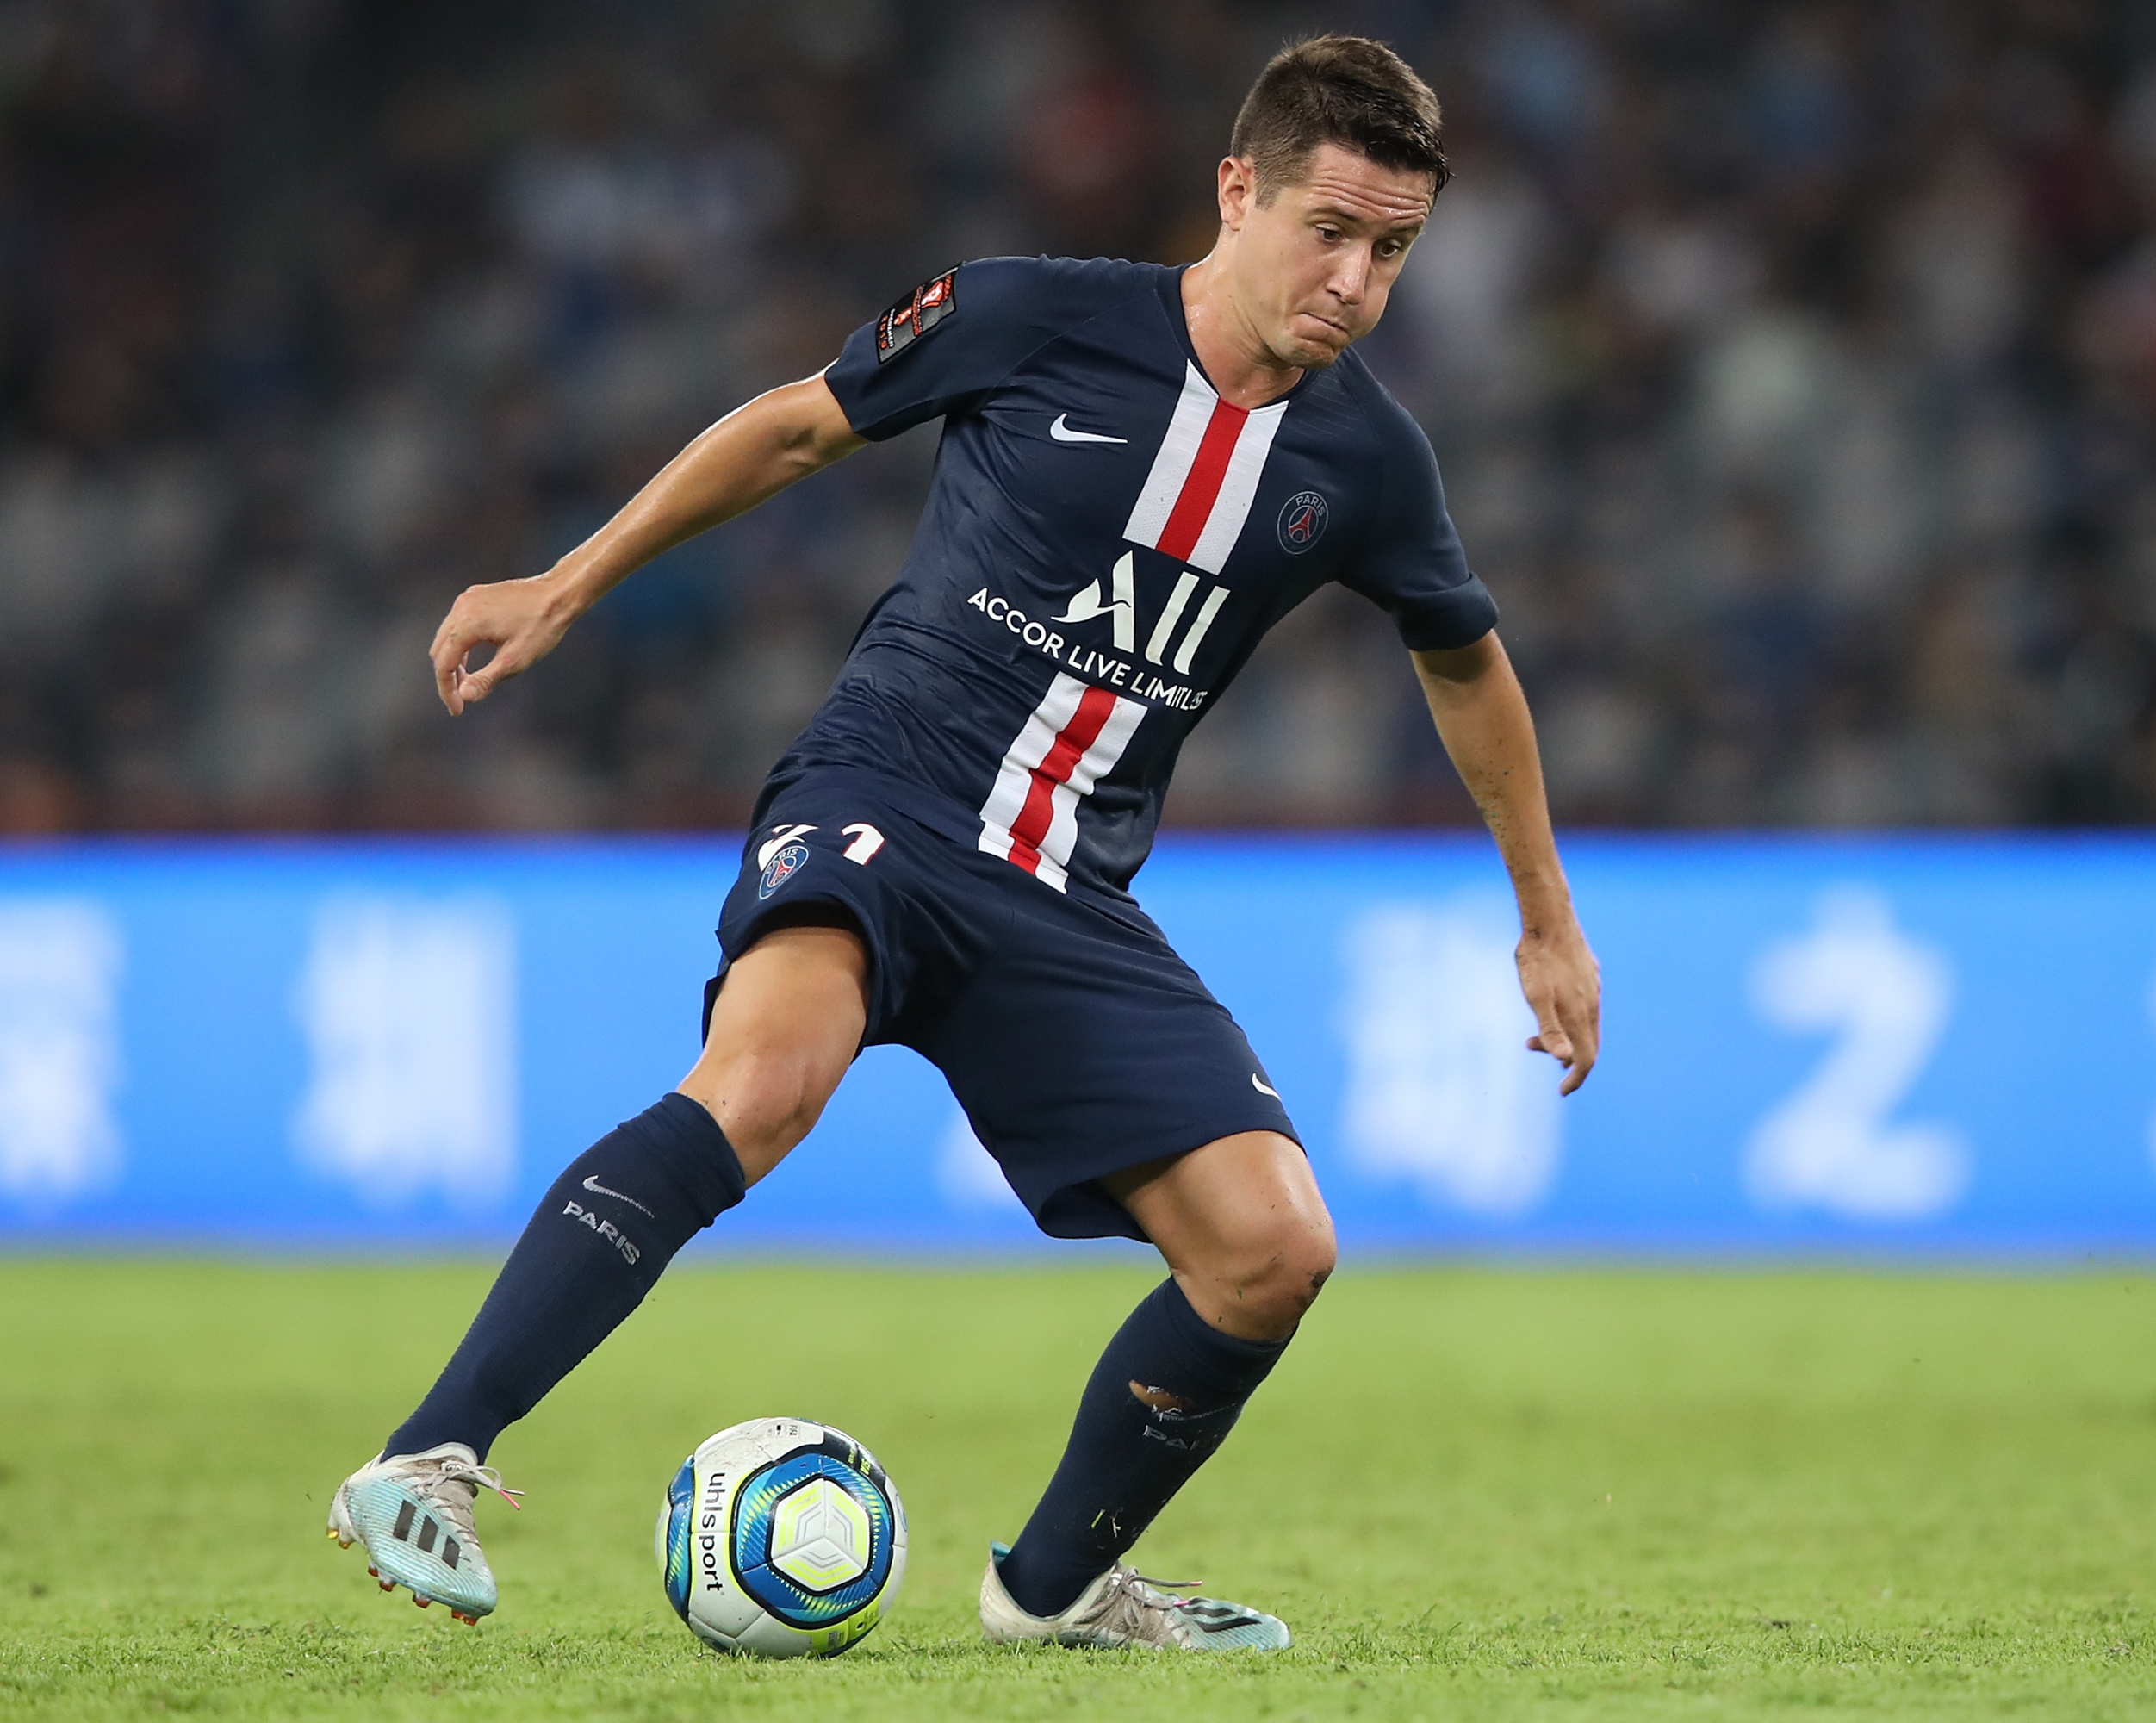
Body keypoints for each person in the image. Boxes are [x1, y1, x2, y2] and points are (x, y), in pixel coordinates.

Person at [326, 34, 1599, 1652]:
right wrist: (563, 583)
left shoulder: (1368, 461)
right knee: (761, 1085)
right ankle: (427, 1456)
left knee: (1274, 1248)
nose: (1355, 281)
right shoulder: (1031, 313)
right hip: (888, 792)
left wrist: (1545, 918)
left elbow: (1466, 664)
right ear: (1237, 191)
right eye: (1329, 230)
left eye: (1392, 249)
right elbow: (796, 430)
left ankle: (1051, 1593)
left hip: (1068, 890)